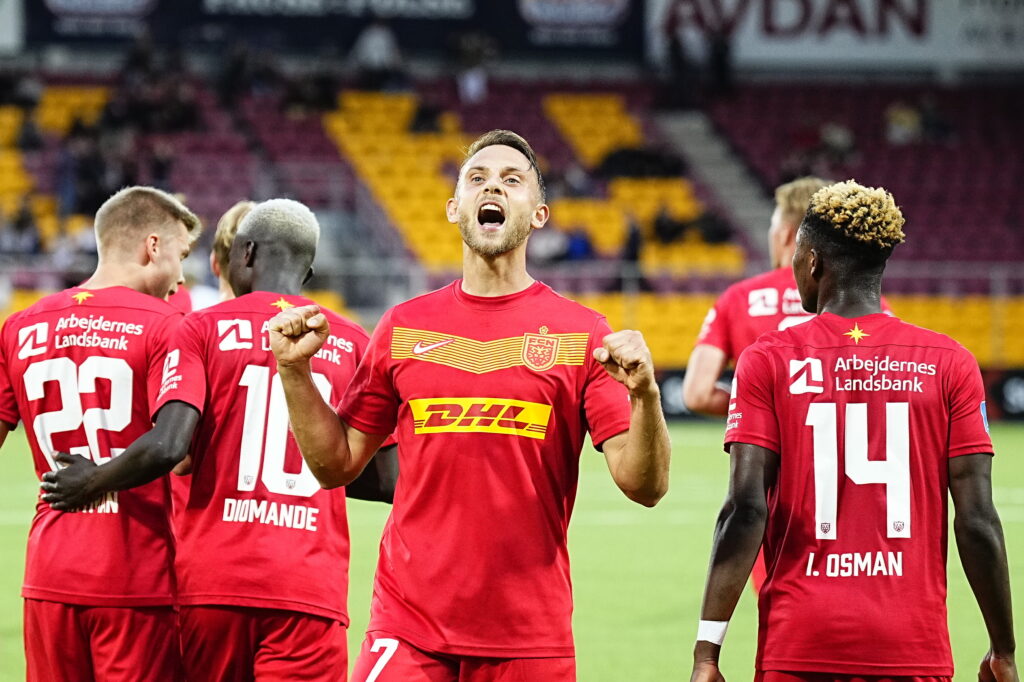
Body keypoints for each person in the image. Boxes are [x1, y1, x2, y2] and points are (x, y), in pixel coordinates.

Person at [268, 129, 672, 681]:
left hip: (529, 638)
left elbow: (643, 485)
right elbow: (334, 463)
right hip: (405, 628)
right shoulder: (402, 327)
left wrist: (646, 395)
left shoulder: (582, 334)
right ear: (455, 208)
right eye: (478, 178)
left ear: (539, 214)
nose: (495, 187)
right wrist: (295, 371)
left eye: (513, 180)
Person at [41, 198, 396, 680]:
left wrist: (94, 478)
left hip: (212, 582)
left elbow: (170, 446)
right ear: (307, 271)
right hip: (308, 586)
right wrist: (319, 466)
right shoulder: (355, 341)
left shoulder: (199, 329)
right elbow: (387, 481)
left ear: (244, 254)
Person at [690, 181, 1016, 682]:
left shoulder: (768, 359)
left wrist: (707, 654)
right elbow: (976, 520)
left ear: (814, 262)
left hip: (800, 641)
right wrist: (1002, 650)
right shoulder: (949, 362)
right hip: (912, 644)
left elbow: (745, 509)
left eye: (798, 255)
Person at [0, 186, 200, 682]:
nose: (180, 276)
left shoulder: (21, 325)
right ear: (153, 247)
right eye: (181, 254)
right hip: (137, 574)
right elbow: (174, 444)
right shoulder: (169, 325)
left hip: (48, 573)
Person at [684, 177, 832, 417]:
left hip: (764, 448)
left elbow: (698, 394)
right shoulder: (859, 297)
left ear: (785, 235)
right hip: (835, 446)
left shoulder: (738, 298)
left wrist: (760, 407)